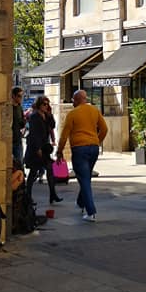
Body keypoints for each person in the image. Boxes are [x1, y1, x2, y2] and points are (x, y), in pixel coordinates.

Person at [56, 89, 107, 222]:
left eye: (73, 100)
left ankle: (91, 212)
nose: (72, 102)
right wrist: (97, 141)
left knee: (84, 179)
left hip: (79, 149)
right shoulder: (94, 110)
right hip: (94, 148)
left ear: (77, 100)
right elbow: (104, 129)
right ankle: (81, 202)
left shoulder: (73, 114)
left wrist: (59, 151)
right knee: (86, 177)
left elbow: (64, 135)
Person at [24, 96, 63, 204]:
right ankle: (28, 196)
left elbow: (52, 125)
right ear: (39, 105)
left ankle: (53, 194)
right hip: (35, 148)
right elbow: (34, 134)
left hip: (44, 148)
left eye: (47, 104)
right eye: (44, 104)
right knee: (33, 172)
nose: (46, 106)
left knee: (50, 170)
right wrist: (37, 149)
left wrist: (50, 114)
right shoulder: (34, 116)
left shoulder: (46, 115)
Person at [11, 86, 26, 166]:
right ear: (13, 96)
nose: (21, 98)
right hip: (10, 139)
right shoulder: (9, 108)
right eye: (19, 96)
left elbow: (22, 122)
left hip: (18, 139)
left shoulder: (20, 107)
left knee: (19, 163)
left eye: (21, 96)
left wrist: (24, 123)